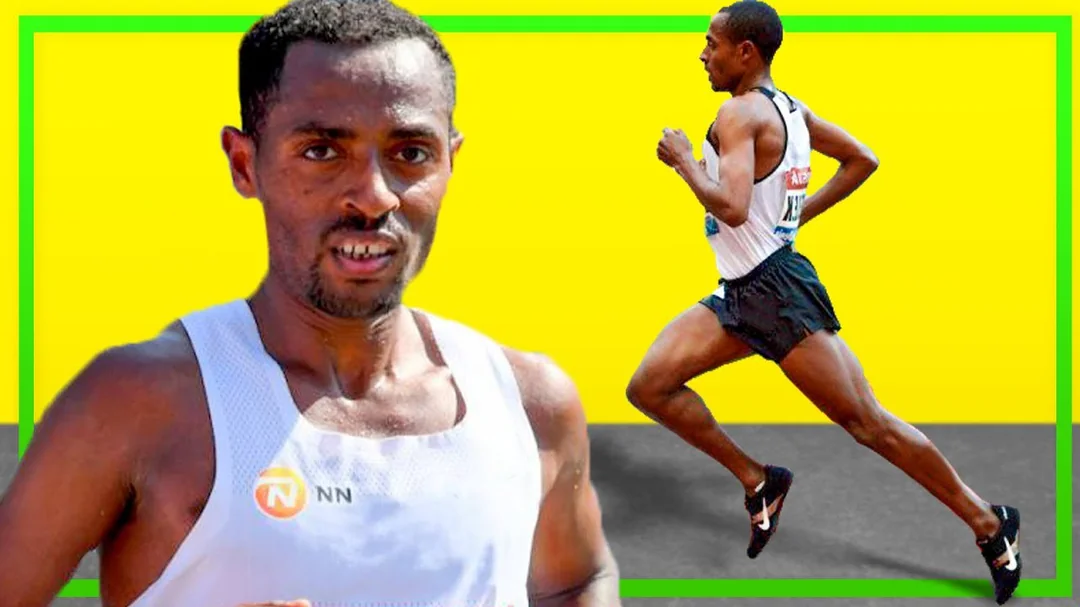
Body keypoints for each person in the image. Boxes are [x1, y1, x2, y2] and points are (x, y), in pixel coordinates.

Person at [0, 1, 621, 605]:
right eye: (323, 151)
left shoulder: (529, 402)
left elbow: (576, 581)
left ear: (450, 163)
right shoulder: (139, 401)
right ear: (246, 165)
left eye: (411, 153)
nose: (374, 195)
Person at [624, 1, 1021, 604]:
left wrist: (682, 161)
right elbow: (863, 159)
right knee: (650, 386)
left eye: (710, 43)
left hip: (778, 295)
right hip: (740, 293)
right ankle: (759, 481)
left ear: (745, 52)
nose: (701, 53)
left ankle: (989, 522)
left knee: (870, 424)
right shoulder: (791, 109)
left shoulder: (737, 114)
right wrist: (792, 216)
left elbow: (729, 207)